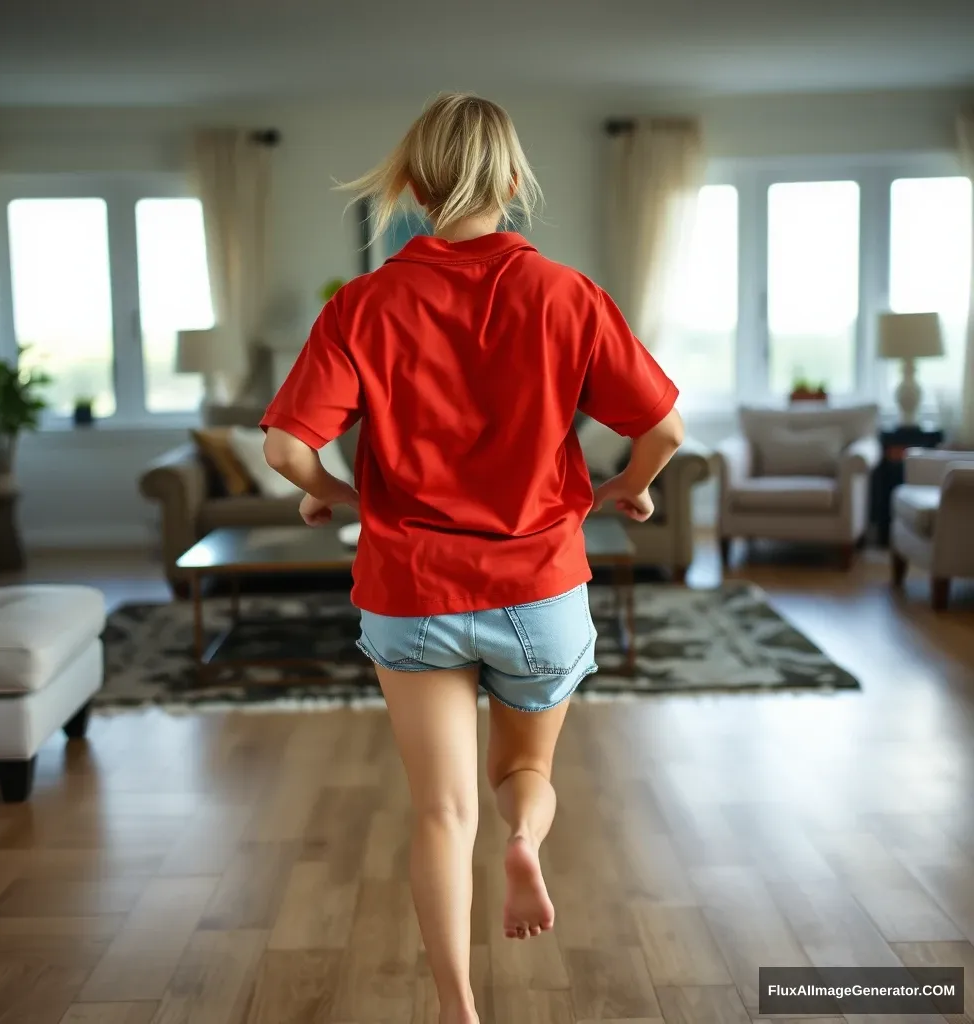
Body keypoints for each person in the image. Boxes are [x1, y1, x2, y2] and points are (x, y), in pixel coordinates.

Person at [261, 93, 683, 1024]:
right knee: (519, 777)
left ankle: (458, 1009)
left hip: (410, 593)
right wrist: (629, 488)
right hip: (539, 587)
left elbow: (288, 451)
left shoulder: (365, 303)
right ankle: (524, 842)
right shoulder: (568, 294)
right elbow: (663, 429)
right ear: (513, 180)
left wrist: (336, 492)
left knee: (440, 812)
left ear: (411, 184)